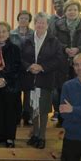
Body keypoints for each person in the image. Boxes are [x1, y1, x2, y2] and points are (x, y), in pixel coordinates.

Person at [22, 13, 63, 149]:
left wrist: (42, 67)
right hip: (30, 79)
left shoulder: (54, 41)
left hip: (45, 79)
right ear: (34, 24)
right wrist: (29, 66)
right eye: (38, 22)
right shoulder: (27, 40)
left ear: (47, 25)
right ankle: (35, 134)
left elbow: (58, 60)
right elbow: (21, 57)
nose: (40, 25)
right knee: (33, 107)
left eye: (43, 23)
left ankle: (42, 136)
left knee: (43, 109)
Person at [50, 0, 81, 127]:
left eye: (75, 9)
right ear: (65, 11)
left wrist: (78, 49)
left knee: (78, 90)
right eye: (69, 9)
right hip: (62, 62)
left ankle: (77, 117)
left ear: (79, 11)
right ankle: (62, 119)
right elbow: (53, 40)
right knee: (61, 90)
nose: (72, 12)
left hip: (79, 63)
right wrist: (65, 48)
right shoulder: (57, 24)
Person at [10, 10, 34, 125]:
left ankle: (27, 115)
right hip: (16, 67)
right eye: (21, 18)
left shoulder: (34, 34)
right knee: (16, 92)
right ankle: (17, 115)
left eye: (26, 18)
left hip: (29, 67)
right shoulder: (11, 34)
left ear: (29, 20)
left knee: (28, 92)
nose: (23, 20)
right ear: (18, 19)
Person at [48, 0, 68, 122]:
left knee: (66, 88)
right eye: (55, 2)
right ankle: (56, 111)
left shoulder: (70, 19)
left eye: (60, 2)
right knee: (54, 89)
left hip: (68, 60)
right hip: (53, 58)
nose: (57, 5)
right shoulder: (49, 20)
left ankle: (65, 113)